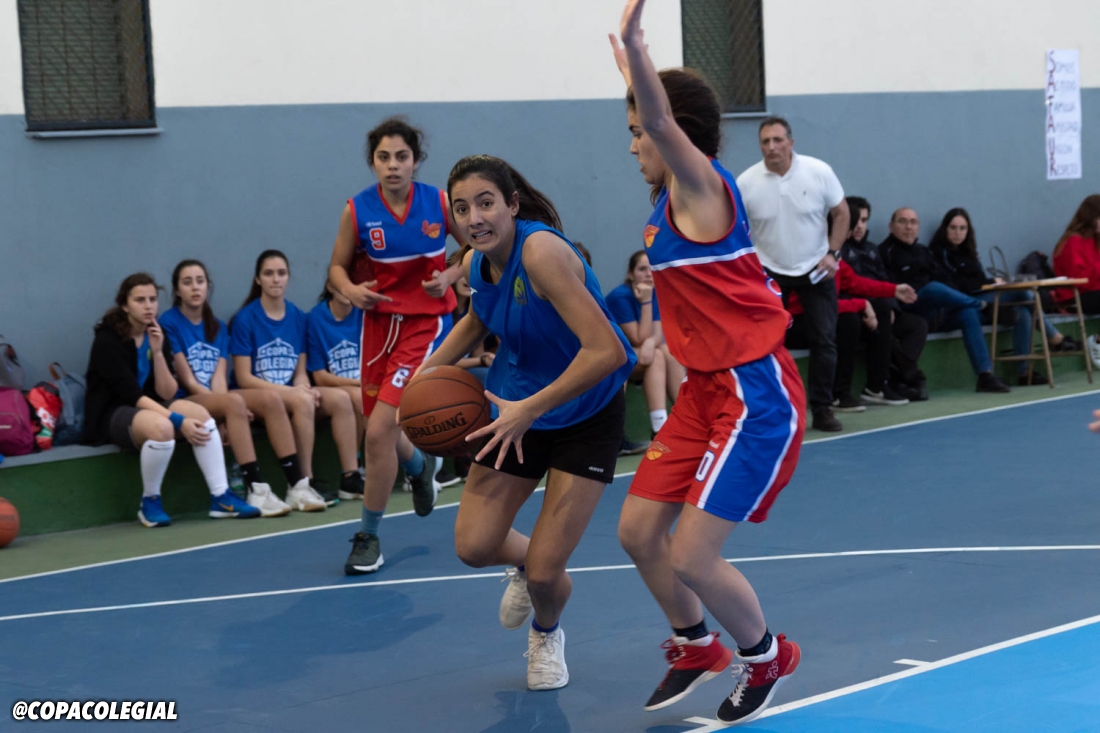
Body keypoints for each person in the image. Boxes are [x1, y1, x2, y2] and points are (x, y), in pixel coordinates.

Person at [611, 3, 805, 724]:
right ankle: (696, 643)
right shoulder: (670, 198)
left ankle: (766, 654)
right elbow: (658, 116)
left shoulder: (703, 190)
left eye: (638, 132)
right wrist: (629, 70)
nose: (634, 145)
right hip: (702, 391)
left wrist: (636, 49)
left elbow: (664, 121)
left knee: (692, 555)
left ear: (673, 131)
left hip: (754, 393)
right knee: (638, 532)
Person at [418, 154, 635, 691]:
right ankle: (527, 565)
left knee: (545, 574)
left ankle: (546, 631)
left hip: (585, 412)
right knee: (473, 546)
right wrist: (426, 377)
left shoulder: (541, 253)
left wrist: (531, 409)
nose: (474, 218)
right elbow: (477, 319)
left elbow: (608, 350)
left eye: (485, 203)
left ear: (512, 204)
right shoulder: (475, 262)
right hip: (516, 408)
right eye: (462, 208)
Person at [328, 117, 460, 575]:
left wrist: (450, 275)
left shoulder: (439, 203)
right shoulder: (358, 210)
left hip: (424, 325)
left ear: (415, 161)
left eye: (401, 156)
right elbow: (336, 269)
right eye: (383, 157)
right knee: (379, 428)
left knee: (379, 430)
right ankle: (420, 466)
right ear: (373, 163)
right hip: (378, 327)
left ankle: (369, 536)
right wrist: (350, 290)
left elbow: (475, 248)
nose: (393, 165)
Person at [82, 273, 260, 526]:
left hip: (151, 405)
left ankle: (221, 497)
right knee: (163, 428)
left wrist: (157, 352)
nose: (148, 306)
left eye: (153, 299)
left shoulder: (157, 333)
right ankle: (150, 501)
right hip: (113, 412)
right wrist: (178, 421)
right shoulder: (107, 340)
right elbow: (132, 395)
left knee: (201, 416)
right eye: (140, 300)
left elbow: (166, 392)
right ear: (125, 305)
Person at [161, 259, 316, 517]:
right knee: (234, 402)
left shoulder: (218, 326)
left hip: (213, 397)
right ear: (177, 290)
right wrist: (223, 409)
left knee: (270, 399)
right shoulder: (169, 322)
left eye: (200, 281)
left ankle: (297, 485)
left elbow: (219, 379)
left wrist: (222, 406)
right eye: (187, 283)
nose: (195, 287)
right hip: (185, 399)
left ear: (208, 286)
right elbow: (187, 380)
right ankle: (256, 489)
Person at [736, 116, 848, 432]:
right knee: (765, 344)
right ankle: (771, 411)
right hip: (769, 272)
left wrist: (833, 253)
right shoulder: (746, 182)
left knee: (825, 340)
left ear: (791, 143)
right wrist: (749, 268)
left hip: (816, 270)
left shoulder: (818, 171)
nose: (772, 147)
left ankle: (823, 409)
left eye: (778, 140)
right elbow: (735, 228)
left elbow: (842, 212)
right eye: (766, 141)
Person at [230, 250, 363, 511]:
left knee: (340, 399)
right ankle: (303, 482)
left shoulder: (298, 317)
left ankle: (350, 476)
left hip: (290, 393)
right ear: (258, 279)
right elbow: (244, 377)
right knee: (302, 400)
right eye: (269, 274)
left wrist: (302, 386)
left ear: (288, 277)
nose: (275, 279)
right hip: (257, 396)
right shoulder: (245, 318)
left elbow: (301, 371)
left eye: (281, 273)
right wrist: (292, 392)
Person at [930, 208, 1077, 386]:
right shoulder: (938, 254)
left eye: (963, 228)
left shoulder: (968, 253)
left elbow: (977, 280)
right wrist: (990, 281)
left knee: (1022, 311)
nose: (958, 232)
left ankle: (1024, 373)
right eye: (953, 228)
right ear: (944, 229)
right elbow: (956, 285)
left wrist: (989, 282)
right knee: (1023, 293)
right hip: (965, 302)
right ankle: (1055, 338)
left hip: (982, 302)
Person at [879, 208, 1011, 393]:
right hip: (910, 310)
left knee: (967, 313)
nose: (909, 227)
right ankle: (982, 306)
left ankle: (985, 376)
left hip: (938, 314)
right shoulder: (885, 252)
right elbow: (884, 287)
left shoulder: (924, 252)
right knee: (933, 288)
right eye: (903, 221)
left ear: (918, 227)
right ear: (891, 226)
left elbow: (946, 281)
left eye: (913, 222)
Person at [786, 254, 917, 410]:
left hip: (822, 320)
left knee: (881, 308)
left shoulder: (834, 258)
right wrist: (861, 304)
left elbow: (855, 283)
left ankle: (876, 387)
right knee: (848, 320)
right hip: (796, 324)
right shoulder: (805, 259)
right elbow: (813, 307)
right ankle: (838, 394)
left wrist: (893, 290)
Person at [841, 197, 929, 401]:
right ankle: (904, 378)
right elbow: (847, 287)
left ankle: (896, 378)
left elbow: (884, 280)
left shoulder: (872, 250)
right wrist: (868, 307)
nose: (859, 226)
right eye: (856, 220)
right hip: (857, 311)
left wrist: (892, 307)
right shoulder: (838, 251)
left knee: (917, 325)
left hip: (881, 308)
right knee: (881, 323)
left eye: (864, 220)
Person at [605, 250, 685, 436]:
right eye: (642, 269)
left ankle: (688, 417)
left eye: (651, 269)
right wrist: (646, 301)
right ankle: (660, 428)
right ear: (630, 274)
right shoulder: (620, 297)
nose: (649, 274)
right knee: (656, 355)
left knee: (667, 352)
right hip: (615, 359)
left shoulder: (654, 292)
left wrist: (650, 342)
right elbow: (638, 338)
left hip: (637, 356)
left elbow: (657, 334)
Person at [307, 281, 369, 496]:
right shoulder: (316, 319)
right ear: (331, 287)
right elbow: (319, 376)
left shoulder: (364, 314)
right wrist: (358, 383)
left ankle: (408, 469)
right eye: (343, 284)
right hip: (330, 389)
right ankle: (351, 472)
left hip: (360, 385)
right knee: (358, 397)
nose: (348, 290)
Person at [1052, 194, 1100, 313]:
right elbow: (1078, 280)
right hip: (1075, 297)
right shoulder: (1073, 241)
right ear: (1092, 219)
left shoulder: (1095, 240)